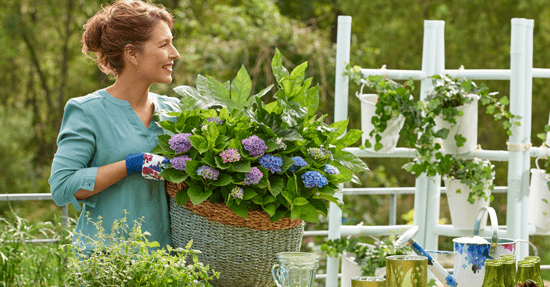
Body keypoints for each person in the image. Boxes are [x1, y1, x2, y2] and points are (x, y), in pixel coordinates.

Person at [49, 0, 180, 249]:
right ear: (132, 53)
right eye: (164, 45)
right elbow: (63, 186)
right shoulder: (88, 111)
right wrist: (131, 165)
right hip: (106, 264)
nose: (175, 53)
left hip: (165, 265)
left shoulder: (176, 112)